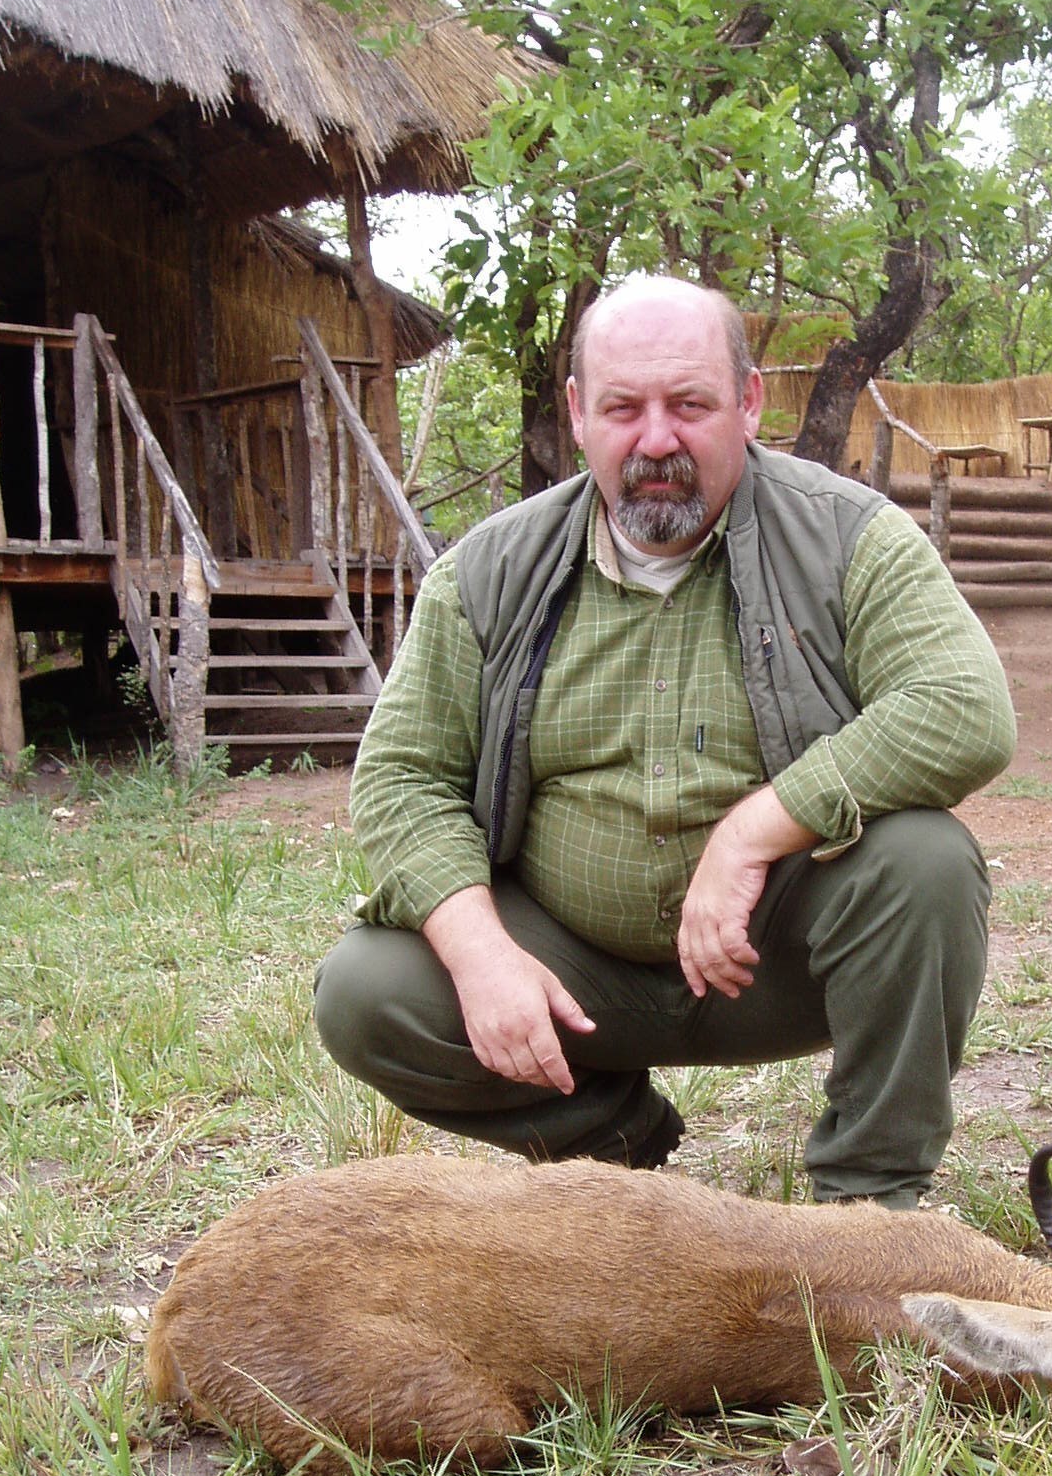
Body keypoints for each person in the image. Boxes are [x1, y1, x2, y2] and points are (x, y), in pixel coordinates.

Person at [314, 275, 1016, 1209]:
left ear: (750, 401)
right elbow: (402, 776)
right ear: (577, 414)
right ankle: (614, 1145)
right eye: (622, 409)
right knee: (366, 991)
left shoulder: (855, 537)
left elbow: (966, 707)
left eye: (690, 405)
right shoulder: (487, 568)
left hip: (776, 966)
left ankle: (867, 1205)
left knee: (927, 862)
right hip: (574, 979)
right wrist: (484, 958)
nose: (656, 441)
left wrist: (755, 829)